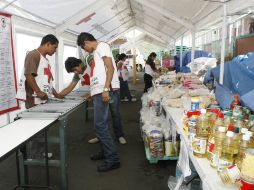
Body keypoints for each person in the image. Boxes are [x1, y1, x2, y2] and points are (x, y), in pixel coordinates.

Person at [57, 32, 121, 172]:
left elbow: (110, 68)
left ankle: (113, 159)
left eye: (83, 47)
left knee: (100, 126)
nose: (84, 50)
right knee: (100, 125)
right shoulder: (95, 53)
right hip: (98, 91)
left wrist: (105, 89)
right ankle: (105, 152)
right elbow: (99, 73)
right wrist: (94, 91)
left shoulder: (102, 46)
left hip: (104, 90)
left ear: (86, 42)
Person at [55, 56, 127, 145]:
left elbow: (104, 75)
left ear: (79, 63)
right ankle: (100, 136)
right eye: (73, 71)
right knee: (99, 117)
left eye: (75, 69)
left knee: (115, 113)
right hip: (97, 93)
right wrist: (58, 95)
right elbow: (70, 87)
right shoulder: (77, 73)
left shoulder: (90, 62)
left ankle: (119, 135)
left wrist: (92, 93)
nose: (76, 72)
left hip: (110, 90)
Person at [16, 34, 59, 159]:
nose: (55, 51)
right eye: (54, 47)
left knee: (42, 129)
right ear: (48, 44)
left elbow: (47, 80)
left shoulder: (45, 59)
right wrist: (39, 92)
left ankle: (39, 152)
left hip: (42, 99)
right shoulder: (33, 55)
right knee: (36, 129)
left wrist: (56, 94)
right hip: (34, 99)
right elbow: (29, 75)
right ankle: (36, 154)